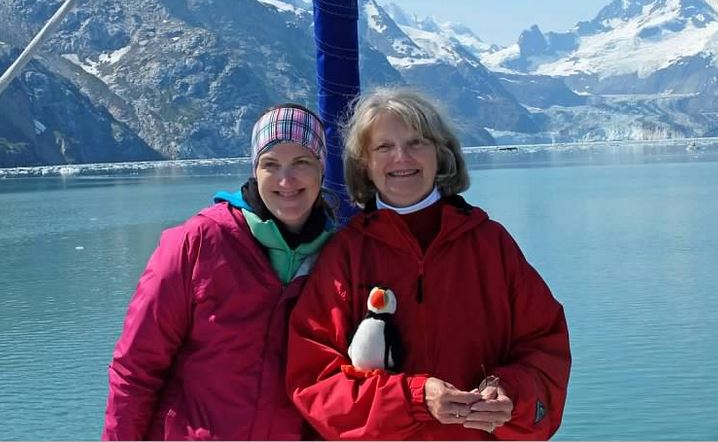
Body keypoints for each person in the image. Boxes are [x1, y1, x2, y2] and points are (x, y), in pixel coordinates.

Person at [286, 88, 571, 440]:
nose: (401, 157)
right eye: (383, 147)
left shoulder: (490, 244)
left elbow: (546, 347)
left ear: (441, 154)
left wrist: (512, 394)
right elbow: (314, 380)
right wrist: (414, 399)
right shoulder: (346, 255)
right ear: (365, 164)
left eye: (417, 142)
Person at [102, 104, 336, 440]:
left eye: (302, 162)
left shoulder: (338, 257)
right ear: (255, 170)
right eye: (271, 164)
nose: (287, 180)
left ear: (321, 169)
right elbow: (136, 369)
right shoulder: (196, 244)